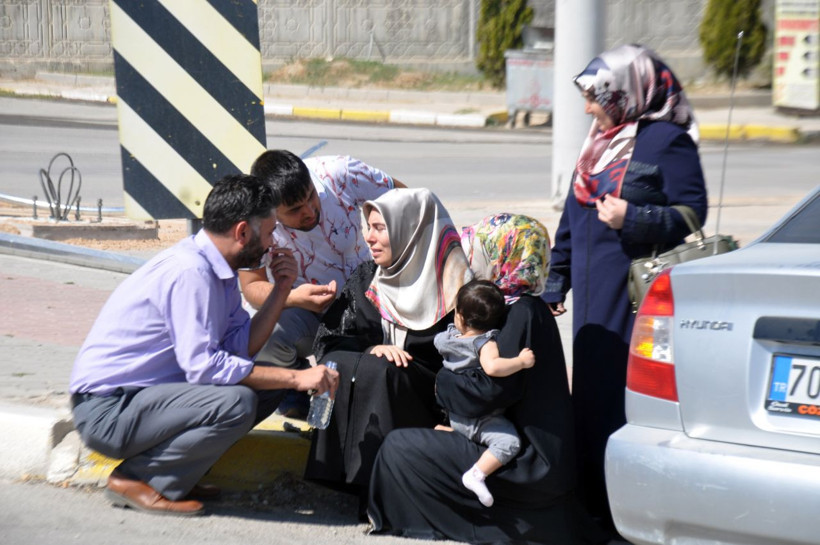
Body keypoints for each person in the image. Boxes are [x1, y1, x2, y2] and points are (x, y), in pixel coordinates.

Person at [69, 174, 339, 517]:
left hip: (142, 401)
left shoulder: (218, 268)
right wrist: (297, 380)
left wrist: (283, 289)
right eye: (270, 232)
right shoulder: (191, 273)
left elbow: (240, 349)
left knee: (265, 387)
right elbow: (204, 367)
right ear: (243, 232)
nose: (272, 244)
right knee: (238, 400)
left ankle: (177, 472)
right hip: (108, 410)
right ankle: (139, 478)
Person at [542, 44, 708, 534]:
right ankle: (592, 508)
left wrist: (634, 217)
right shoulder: (600, 140)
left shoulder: (666, 141)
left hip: (637, 296)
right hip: (593, 298)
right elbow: (573, 214)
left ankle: (623, 516)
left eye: (595, 97)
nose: (589, 107)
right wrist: (557, 277)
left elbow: (693, 214)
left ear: (626, 92)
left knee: (624, 401)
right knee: (590, 398)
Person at [369, 213, 594, 544]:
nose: (475, 261)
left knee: (398, 448)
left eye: (485, 253)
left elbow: (491, 391)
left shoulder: (522, 312)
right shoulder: (518, 307)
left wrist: (440, 383)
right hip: (526, 454)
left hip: (529, 465)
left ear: (505, 256)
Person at [303, 187, 472, 505]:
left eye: (381, 229)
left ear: (409, 231)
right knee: (343, 361)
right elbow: (329, 338)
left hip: (427, 400)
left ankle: (381, 489)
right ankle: (339, 472)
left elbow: (468, 361)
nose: (369, 237)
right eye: (369, 227)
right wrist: (370, 350)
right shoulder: (368, 277)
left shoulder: (456, 285)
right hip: (378, 380)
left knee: (380, 370)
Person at [238, 151, 403, 417]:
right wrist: (293, 298)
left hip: (371, 300)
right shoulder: (253, 220)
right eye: (294, 210)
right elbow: (252, 288)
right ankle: (293, 385)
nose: (309, 211)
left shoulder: (340, 172)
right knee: (265, 338)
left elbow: (406, 201)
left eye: (311, 197)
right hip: (308, 313)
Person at [433, 279, 535, 508]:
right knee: (509, 441)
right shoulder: (484, 342)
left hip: (455, 413)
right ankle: (477, 474)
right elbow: (492, 368)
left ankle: (453, 431)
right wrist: (520, 362)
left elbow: (440, 344)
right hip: (479, 418)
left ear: (459, 316)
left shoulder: (446, 338)